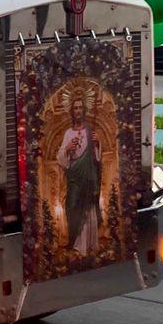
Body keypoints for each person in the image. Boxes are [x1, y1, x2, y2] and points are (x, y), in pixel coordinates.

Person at [55, 93, 103, 255]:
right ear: (72, 111)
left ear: (84, 110)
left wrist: (97, 143)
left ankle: (89, 244)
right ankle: (75, 242)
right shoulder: (68, 133)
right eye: (75, 108)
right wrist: (67, 148)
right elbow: (60, 157)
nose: (78, 110)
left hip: (89, 179)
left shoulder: (90, 131)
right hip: (75, 178)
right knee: (72, 206)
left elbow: (96, 158)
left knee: (88, 208)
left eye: (80, 107)